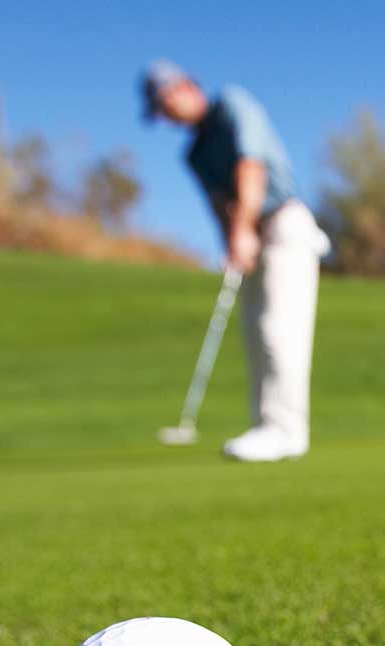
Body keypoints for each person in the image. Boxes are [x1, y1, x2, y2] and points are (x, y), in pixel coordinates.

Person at [142, 60, 328, 463]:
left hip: (284, 224)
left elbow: (251, 166)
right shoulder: (193, 154)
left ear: (186, 87)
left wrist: (243, 228)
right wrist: (232, 241)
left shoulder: (231, 104)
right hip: (249, 236)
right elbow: (216, 204)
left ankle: (286, 431)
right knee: (256, 333)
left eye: (166, 100)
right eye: (160, 109)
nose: (167, 114)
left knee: (281, 329)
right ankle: (267, 425)